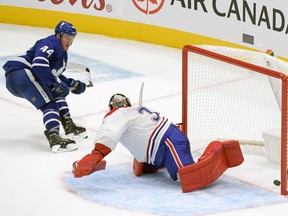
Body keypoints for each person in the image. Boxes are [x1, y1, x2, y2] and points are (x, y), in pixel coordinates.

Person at [72, 93, 244, 192]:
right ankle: (157, 163)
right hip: (168, 141)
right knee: (150, 169)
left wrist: (97, 155)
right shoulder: (134, 111)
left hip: (168, 143)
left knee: (189, 177)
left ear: (112, 108)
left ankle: (218, 148)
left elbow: (109, 132)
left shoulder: (117, 114)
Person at [2, 21, 87, 153]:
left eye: (72, 38)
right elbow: (39, 66)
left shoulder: (61, 53)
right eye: (67, 37)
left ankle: (68, 125)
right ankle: (54, 137)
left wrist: (73, 84)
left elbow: (54, 75)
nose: (69, 41)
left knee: (58, 93)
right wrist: (54, 84)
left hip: (20, 78)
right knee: (50, 105)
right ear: (58, 35)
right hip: (21, 73)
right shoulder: (50, 43)